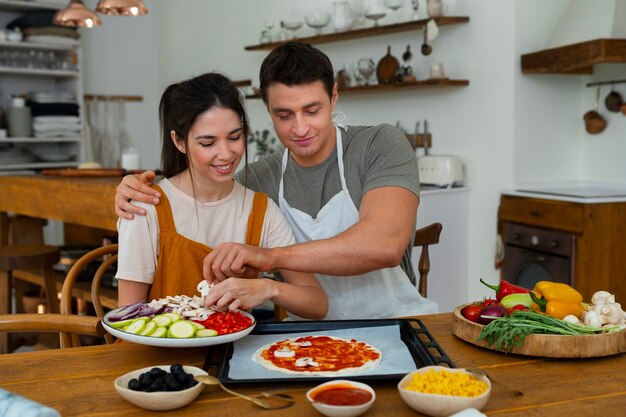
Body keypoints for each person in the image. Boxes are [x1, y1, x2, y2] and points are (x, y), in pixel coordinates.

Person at [115, 42, 438, 320]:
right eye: (284, 115)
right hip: (306, 338)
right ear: (267, 109)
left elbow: (383, 247)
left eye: (312, 110)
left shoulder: (379, 144)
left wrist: (269, 260)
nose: (300, 128)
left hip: (396, 323)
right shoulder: (258, 179)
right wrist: (134, 192)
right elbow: (207, 194)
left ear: (334, 97)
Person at [115, 72, 328, 320]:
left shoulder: (261, 210)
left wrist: (269, 288)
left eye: (235, 137)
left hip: (235, 352)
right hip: (161, 357)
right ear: (179, 141)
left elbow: (317, 304)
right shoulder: (147, 207)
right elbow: (126, 317)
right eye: (208, 143)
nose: (226, 154)